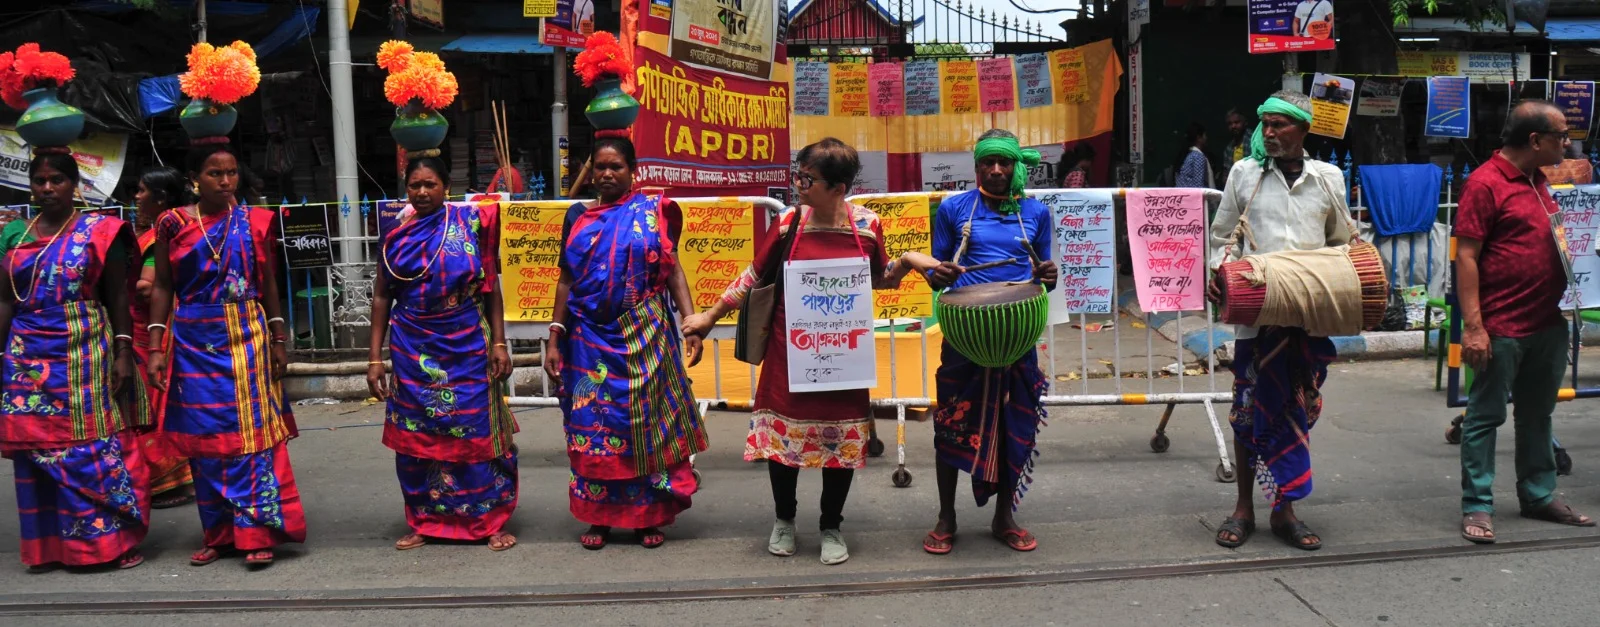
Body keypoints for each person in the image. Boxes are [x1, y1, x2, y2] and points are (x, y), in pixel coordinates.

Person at [680, 138, 940, 565]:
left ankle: (831, 525)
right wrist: (709, 316)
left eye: (808, 179)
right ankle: (784, 520)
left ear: (838, 187)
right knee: (785, 445)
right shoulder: (787, 225)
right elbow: (752, 276)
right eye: (797, 176)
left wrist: (910, 259)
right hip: (789, 353)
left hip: (843, 355)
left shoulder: (868, 226)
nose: (798, 186)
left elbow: (881, 280)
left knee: (839, 446)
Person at [147, 144, 306, 567]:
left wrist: (278, 337)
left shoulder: (254, 221)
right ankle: (218, 533)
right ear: (195, 178)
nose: (225, 180)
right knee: (205, 441)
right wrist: (155, 346)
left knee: (250, 437)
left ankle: (255, 531)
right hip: (194, 341)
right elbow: (163, 285)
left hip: (247, 337)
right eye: (215, 173)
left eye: (232, 172)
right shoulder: (172, 223)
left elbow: (267, 280)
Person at [544, 136, 707, 550]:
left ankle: (646, 517)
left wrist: (691, 322)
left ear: (633, 170)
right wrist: (554, 336)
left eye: (615, 166)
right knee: (594, 428)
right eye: (599, 167)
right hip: (588, 340)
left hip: (647, 338)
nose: (606, 174)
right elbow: (566, 278)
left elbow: (673, 271)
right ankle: (598, 518)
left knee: (645, 427)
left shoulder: (654, 213)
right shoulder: (578, 218)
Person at [1207, 90, 1352, 551]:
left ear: (1303, 130)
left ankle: (1285, 509)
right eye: (1264, 124)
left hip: (1308, 317)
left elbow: (1342, 241)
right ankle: (1243, 508)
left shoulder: (1328, 178)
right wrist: (1218, 274)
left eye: (1279, 125)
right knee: (1248, 412)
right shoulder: (1244, 174)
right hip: (1257, 315)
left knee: (1296, 409)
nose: (1268, 133)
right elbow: (1222, 235)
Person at [0, 153, 148, 571]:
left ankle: (108, 543)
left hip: (84, 351)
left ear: (74, 184)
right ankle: (48, 550)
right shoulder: (13, 234)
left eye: (57, 180)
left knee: (89, 448)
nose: (47, 188)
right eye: (40, 181)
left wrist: (123, 351)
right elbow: (5, 299)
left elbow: (118, 296)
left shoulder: (101, 231)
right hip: (26, 356)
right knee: (37, 450)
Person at [1455, 100, 1594, 544]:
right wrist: (1475, 326)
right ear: (1535, 141)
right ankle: (1477, 505)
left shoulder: (1540, 181)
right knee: (1484, 417)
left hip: (1547, 322)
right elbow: (1467, 256)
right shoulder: (1485, 183)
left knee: (1538, 414)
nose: (1567, 144)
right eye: (1561, 136)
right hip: (1502, 325)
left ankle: (1538, 495)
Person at [366, 157, 519, 552]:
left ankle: (488, 520)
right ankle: (425, 520)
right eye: (414, 185)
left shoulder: (472, 225)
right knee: (417, 439)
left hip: (466, 342)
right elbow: (382, 296)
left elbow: (492, 289)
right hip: (411, 347)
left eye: (429, 184)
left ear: (445, 186)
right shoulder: (396, 236)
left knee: (475, 434)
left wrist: (500, 343)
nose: (421, 192)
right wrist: (374, 358)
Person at [921, 129, 1059, 555]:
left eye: (1005, 163)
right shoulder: (954, 209)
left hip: (1016, 335)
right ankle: (947, 516)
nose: (996, 170)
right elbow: (935, 270)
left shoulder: (1035, 212)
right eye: (988, 163)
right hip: (965, 334)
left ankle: (1004, 517)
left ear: (1016, 166)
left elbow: (1044, 280)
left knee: (1013, 424)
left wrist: (1048, 278)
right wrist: (937, 273)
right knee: (951, 422)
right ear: (976, 166)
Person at [131, 167, 197, 510]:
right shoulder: (176, 229)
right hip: (165, 325)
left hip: (150, 330)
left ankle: (164, 479)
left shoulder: (159, 235)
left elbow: (146, 286)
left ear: (160, 197)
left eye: (142, 190)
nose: (137, 196)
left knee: (152, 403)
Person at [1175, 122, 1215, 189]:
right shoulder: (1197, 157)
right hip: (1192, 198)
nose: (1206, 138)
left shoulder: (1185, 154)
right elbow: (1198, 186)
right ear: (1199, 138)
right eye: (1205, 135)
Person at [1221, 108, 1249, 175]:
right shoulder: (1229, 148)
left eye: (1236, 122)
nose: (1233, 126)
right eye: (1230, 124)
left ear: (1245, 123)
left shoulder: (1253, 142)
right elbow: (1226, 173)